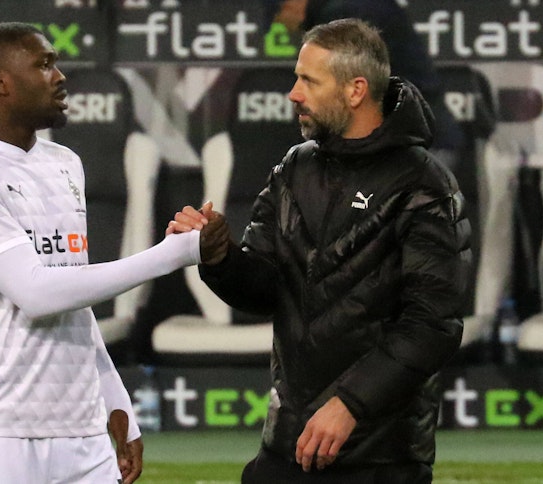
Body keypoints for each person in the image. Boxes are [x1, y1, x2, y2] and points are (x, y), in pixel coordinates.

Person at [169, 19, 471, 483]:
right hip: (288, 443)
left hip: (380, 457)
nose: (293, 93)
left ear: (355, 90)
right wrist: (219, 255)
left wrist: (351, 403)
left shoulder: (424, 183)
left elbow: (433, 323)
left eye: (308, 80)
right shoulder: (296, 167)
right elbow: (266, 289)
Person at [0, 22, 203, 484]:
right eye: (43, 64)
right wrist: (174, 253)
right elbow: (36, 293)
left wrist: (115, 399)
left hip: (81, 430)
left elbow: (73, 294)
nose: (60, 76)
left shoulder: (65, 165)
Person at [271, 0, 465, 164]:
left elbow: (346, 95)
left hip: (409, 147)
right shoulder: (346, 9)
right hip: (416, 141)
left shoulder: (343, 15)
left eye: (279, 13)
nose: (282, 24)